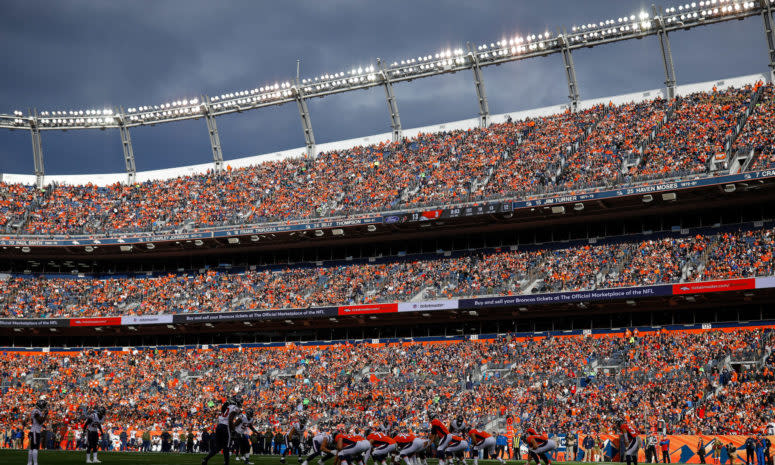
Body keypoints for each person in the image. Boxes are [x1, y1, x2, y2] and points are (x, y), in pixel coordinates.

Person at [202, 397, 241, 465]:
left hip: (219, 426)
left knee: (218, 447)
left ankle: (205, 459)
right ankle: (226, 463)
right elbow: (230, 419)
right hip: (225, 427)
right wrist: (233, 429)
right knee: (226, 446)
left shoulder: (226, 407)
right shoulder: (235, 407)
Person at [27, 398, 48, 465]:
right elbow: (40, 421)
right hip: (35, 432)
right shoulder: (36, 411)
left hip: (34, 430)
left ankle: (29, 463)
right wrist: (45, 415)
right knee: (35, 448)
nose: (44, 407)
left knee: (31, 448)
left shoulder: (35, 411)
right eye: (44, 405)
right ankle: (35, 463)